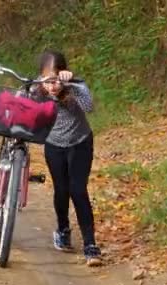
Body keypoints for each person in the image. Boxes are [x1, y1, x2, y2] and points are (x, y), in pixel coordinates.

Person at [32, 50, 102, 266]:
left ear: (63, 73)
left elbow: (89, 107)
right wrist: (33, 88)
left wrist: (71, 84)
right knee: (61, 190)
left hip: (80, 143)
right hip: (54, 146)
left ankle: (90, 244)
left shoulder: (75, 87)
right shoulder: (37, 90)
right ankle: (63, 230)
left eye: (55, 79)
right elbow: (22, 103)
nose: (52, 86)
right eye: (47, 80)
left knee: (78, 190)